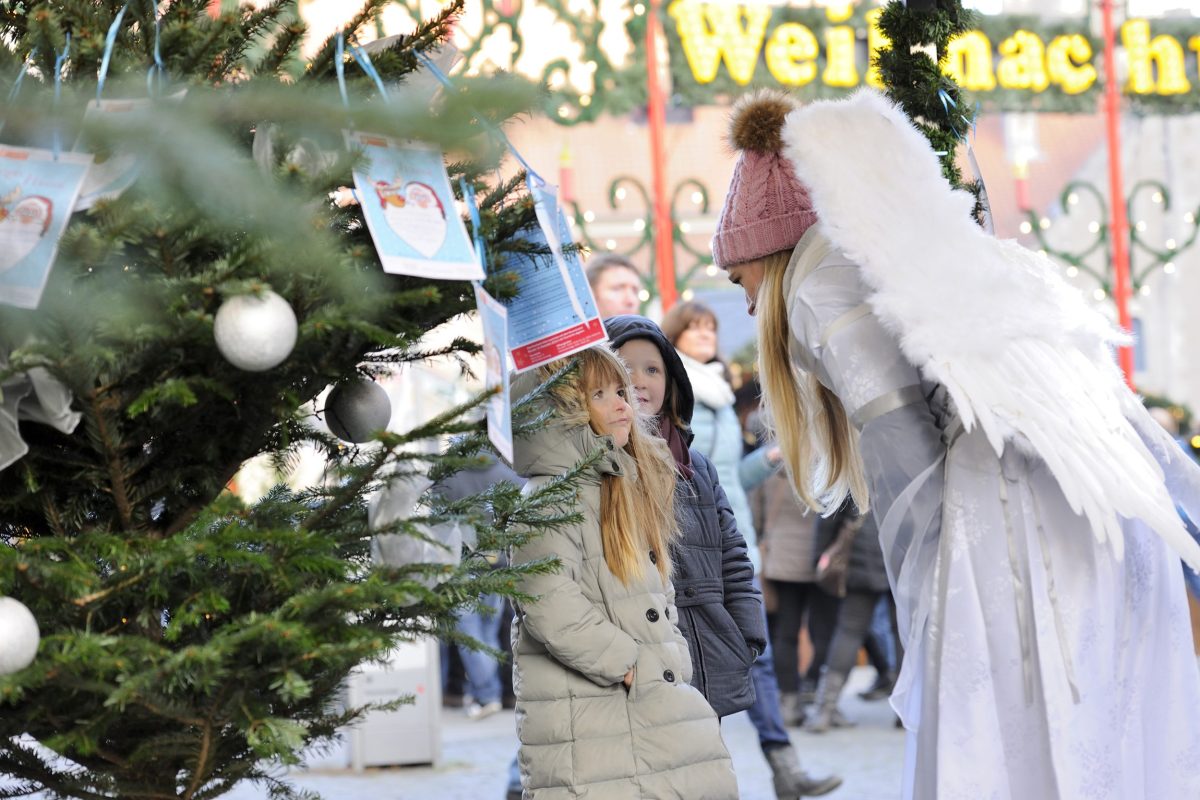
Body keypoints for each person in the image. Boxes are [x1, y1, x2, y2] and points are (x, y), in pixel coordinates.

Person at [715, 88, 1200, 798]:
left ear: (769, 255)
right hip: (1085, 512)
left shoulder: (819, 289)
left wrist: (928, 610)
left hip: (1001, 531)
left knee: (998, 741)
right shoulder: (895, 257)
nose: (750, 303)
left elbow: (901, 451)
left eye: (742, 278)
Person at [606, 315, 841, 798]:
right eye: (625, 370)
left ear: (671, 379)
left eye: (653, 369)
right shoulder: (598, 465)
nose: (640, 381)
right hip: (636, 654)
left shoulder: (696, 461)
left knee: (701, 770)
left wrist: (747, 629)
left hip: (703, 624)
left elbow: (732, 550)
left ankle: (785, 766)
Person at [508, 345, 736, 799]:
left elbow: (654, 588)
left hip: (646, 695)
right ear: (563, 410)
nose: (621, 404)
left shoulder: (622, 481)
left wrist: (669, 652)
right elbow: (550, 604)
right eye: (599, 394)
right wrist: (629, 664)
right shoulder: (548, 498)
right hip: (595, 707)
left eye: (621, 391)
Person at [804, 502, 891, 733]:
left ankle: (825, 709)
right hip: (904, 547)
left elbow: (830, 510)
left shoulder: (860, 465)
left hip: (863, 553)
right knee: (906, 635)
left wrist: (819, 556)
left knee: (849, 631)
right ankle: (909, 712)